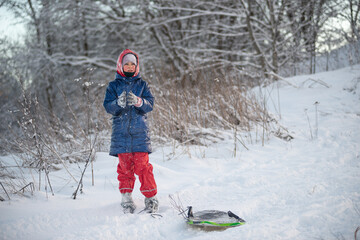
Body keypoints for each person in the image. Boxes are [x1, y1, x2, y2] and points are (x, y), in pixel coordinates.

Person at [103, 49, 158, 213]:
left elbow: (150, 104)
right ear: (120, 65)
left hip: (140, 135)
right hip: (121, 136)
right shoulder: (113, 86)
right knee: (125, 169)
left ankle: (151, 198)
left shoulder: (142, 85)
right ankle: (126, 198)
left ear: (136, 66)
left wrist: (139, 101)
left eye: (132, 64)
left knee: (143, 167)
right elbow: (108, 106)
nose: (129, 66)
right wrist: (117, 103)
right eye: (126, 63)